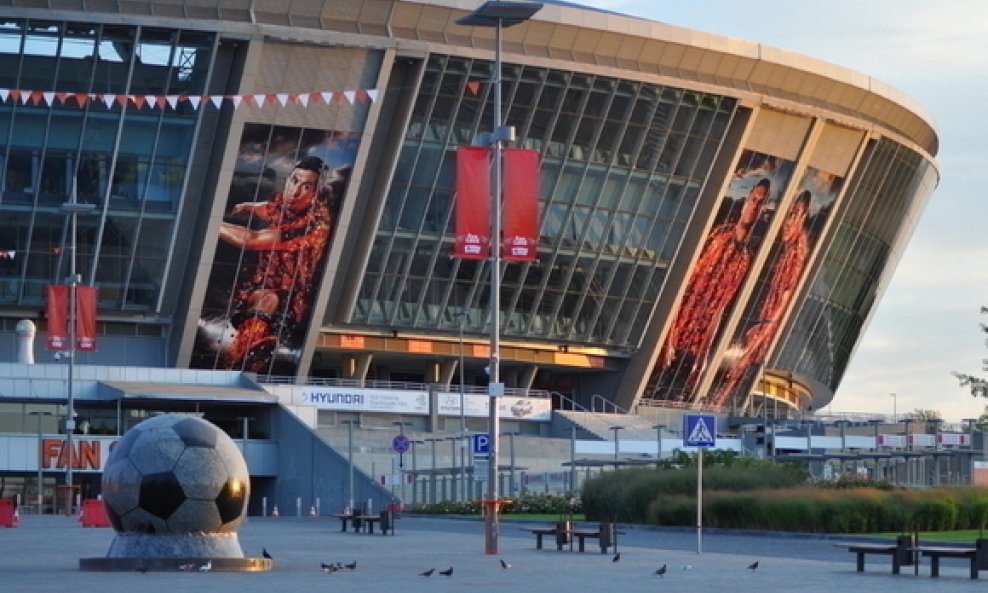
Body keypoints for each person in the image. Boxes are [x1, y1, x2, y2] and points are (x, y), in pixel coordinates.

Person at [651, 178, 772, 402]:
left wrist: (704, 356)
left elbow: (719, 308)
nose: (754, 206)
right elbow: (684, 289)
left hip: (696, 344)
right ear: (745, 201)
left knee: (675, 397)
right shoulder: (718, 239)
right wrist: (668, 340)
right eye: (753, 199)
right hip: (678, 334)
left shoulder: (745, 258)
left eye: (760, 202)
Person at [214, 156, 335, 372]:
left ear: (316, 193)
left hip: (295, 298)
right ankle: (244, 353)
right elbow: (271, 207)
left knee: (268, 300)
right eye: (294, 181)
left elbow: (253, 239)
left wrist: (213, 223)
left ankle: (245, 356)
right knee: (264, 296)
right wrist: (248, 207)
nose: (295, 191)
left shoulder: (315, 222)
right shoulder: (289, 205)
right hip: (266, 282)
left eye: (306, 186)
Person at [711, 190, 811, 406]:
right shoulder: (775, 248)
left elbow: (782, 302)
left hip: (759, 331)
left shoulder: (795, 254)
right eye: (787, 213)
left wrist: (755, 341)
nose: (788, 221)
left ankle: (720, 403)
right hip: (751, 325)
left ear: (803, 218)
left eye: (794, 214)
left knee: (736, 375)